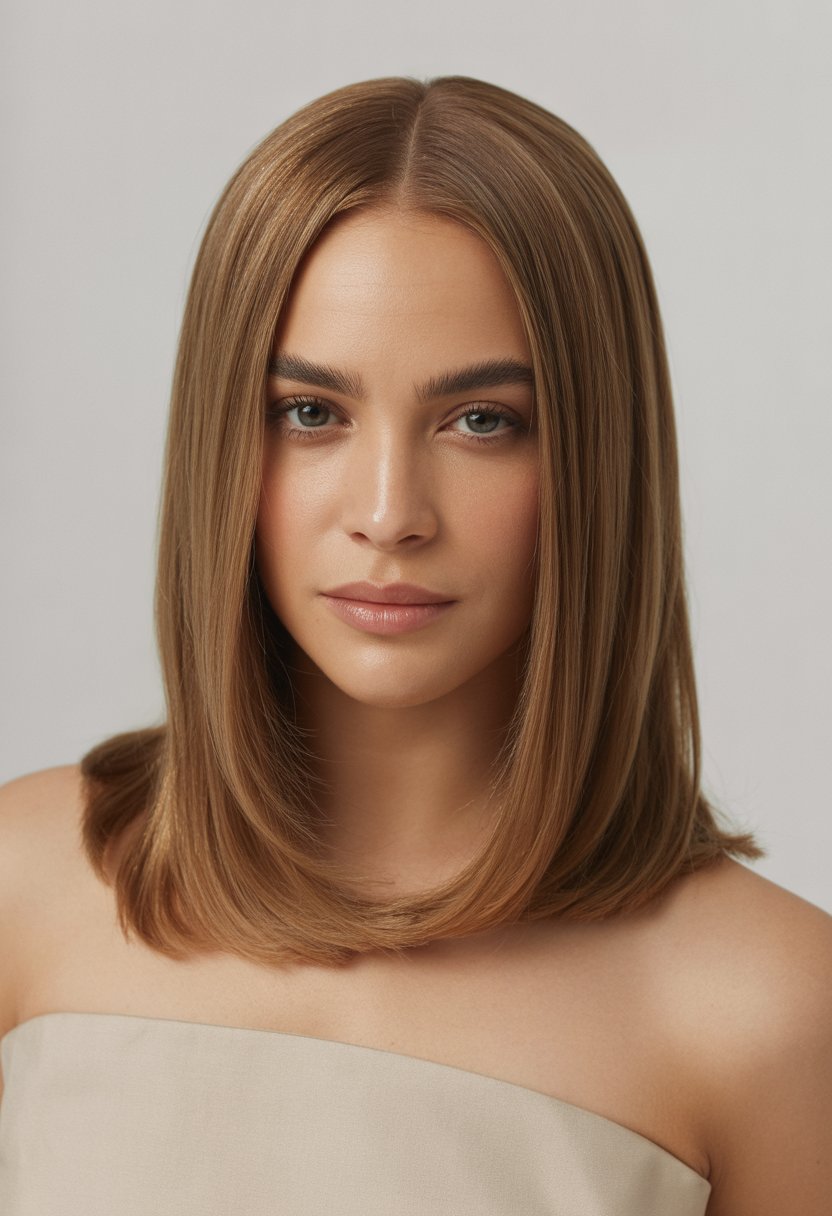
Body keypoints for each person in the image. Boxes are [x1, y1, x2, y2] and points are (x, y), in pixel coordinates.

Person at [0, 74, 829, 1215]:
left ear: (596, 458)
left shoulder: (771, 1011)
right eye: (311, 413)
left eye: (481, 421)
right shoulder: (22, 890)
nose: (390, 513)